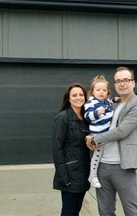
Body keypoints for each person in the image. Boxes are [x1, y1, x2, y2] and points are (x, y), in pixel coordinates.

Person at [85, 66, 137, 216]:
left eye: (126, 80)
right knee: (105, 212)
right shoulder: (111, 104)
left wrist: (95, 139)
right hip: (101, 166)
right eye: (118, 81)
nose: (122, 84)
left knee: (132, 211)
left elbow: (122, 131)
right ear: (114, 85)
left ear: (133, 83)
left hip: (123, 167)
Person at [52, 83, 90, 216]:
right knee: (68, 212)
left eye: (81, 95)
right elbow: (57, 148)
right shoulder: (63, 118)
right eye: (74, 95)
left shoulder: (86, 118)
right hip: (69, 173)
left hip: (83, 173)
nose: (78, 97)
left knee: (76, 211)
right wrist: (63, 176)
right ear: (68, 99)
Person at [84, 75, 119, 188]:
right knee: (98, 154)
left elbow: (110, 102)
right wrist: (96, 113)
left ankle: (96, 174)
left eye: (104, 90)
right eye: (98, 90)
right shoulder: (91, 103)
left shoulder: (105, 102)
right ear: (92, 92)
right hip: (98, 133)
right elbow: (87, 116)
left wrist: (115, 99)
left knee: (102, 153)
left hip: (105, 132)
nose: (101, 92)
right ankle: (92, 175)